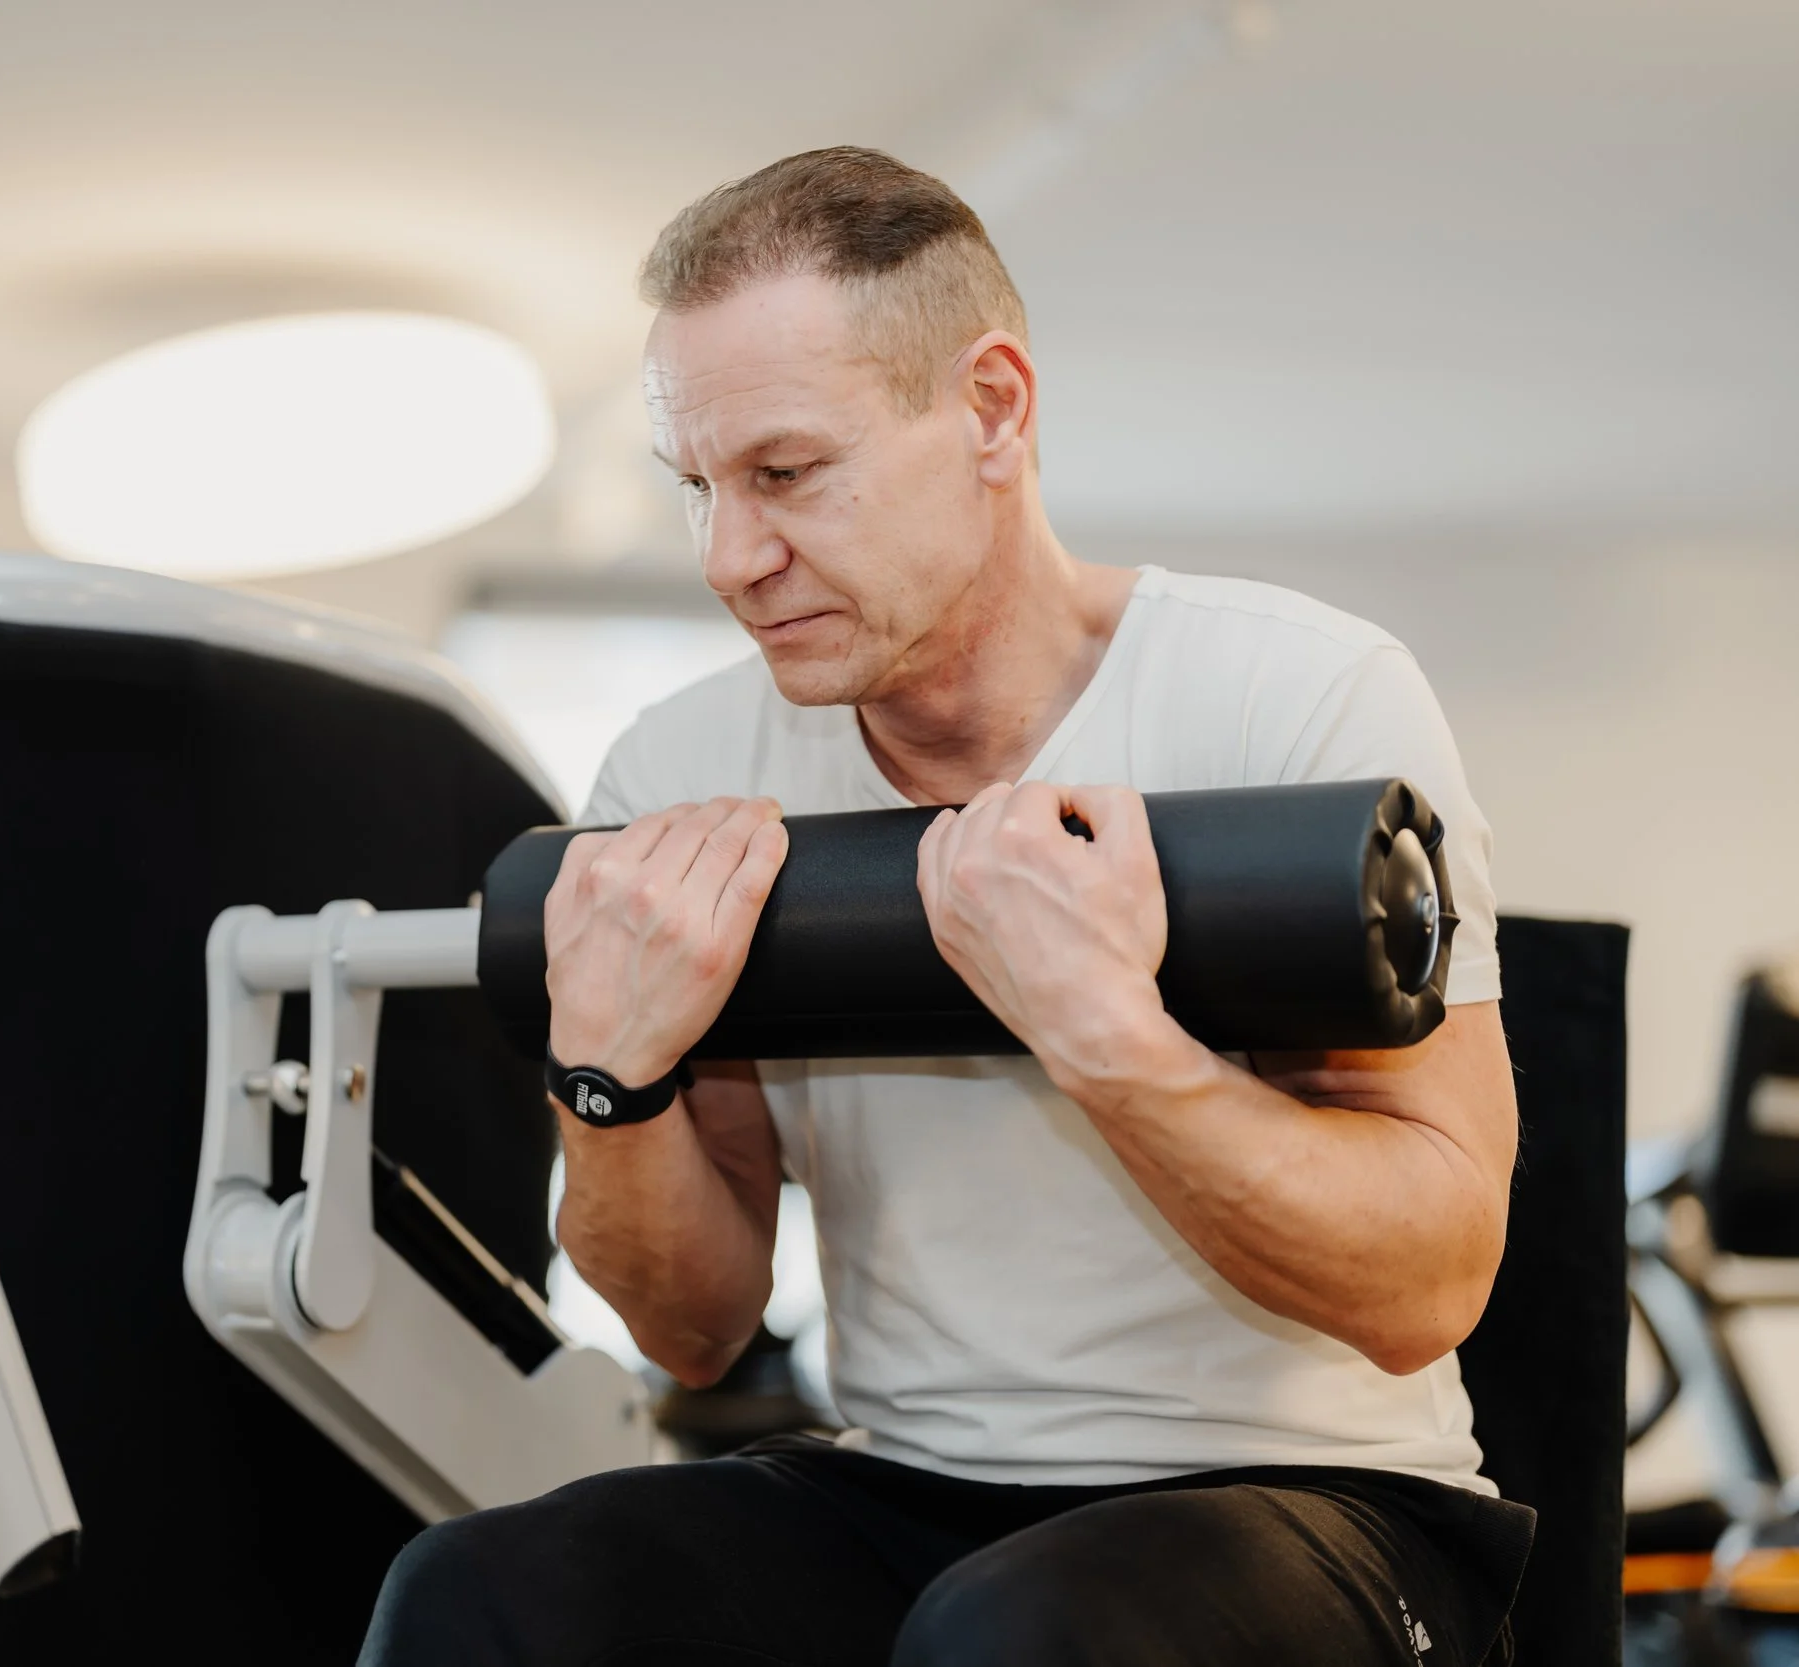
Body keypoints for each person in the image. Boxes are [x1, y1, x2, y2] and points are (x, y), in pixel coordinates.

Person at [362, 148, 1533, 1666]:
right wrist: (610, 1077)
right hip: (908, 1490)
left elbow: (1424, 1285)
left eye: (787, 474)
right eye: (701, 489)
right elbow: (693, 1329)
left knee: (1028, 1631)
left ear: (992, 407)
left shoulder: (1291, 695)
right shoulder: (684, 768)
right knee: (482, 1593)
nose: (731, 556)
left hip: (1327, 1502)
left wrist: (1107, 1031)